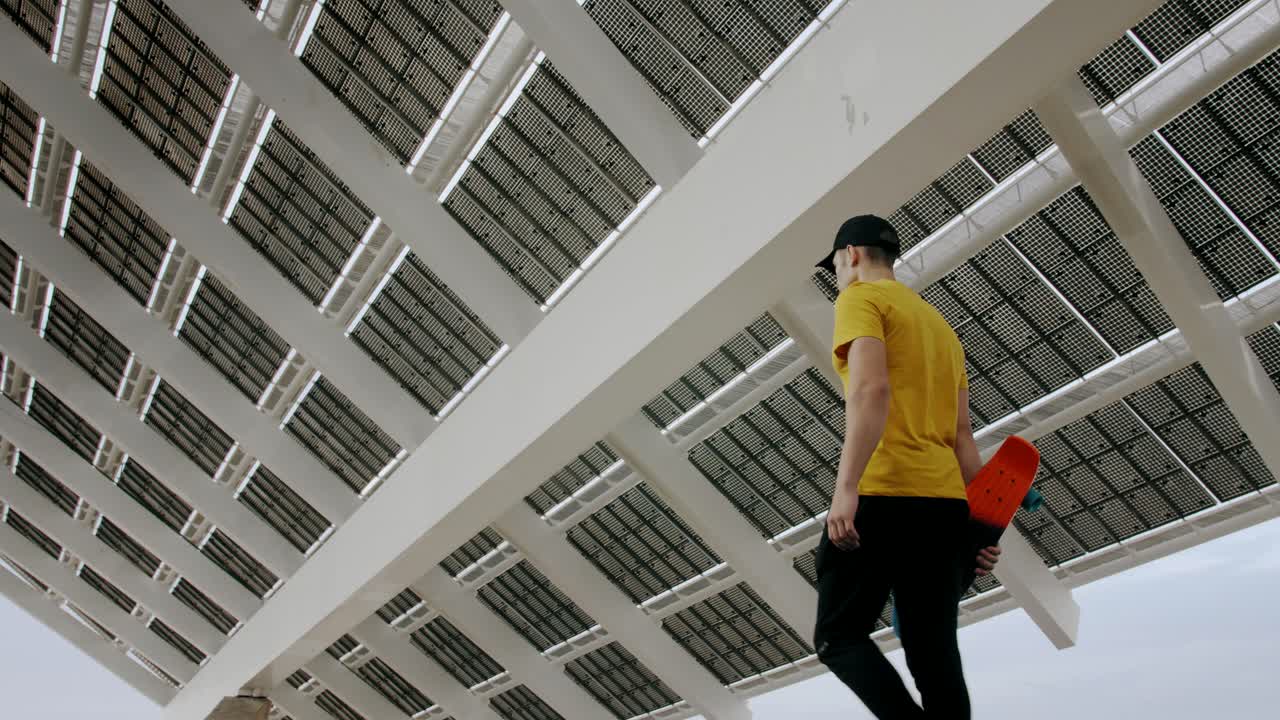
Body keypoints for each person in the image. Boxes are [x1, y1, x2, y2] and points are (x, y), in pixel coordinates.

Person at [812, 215, 1001, 719]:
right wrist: (978, 530)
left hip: (884, 492)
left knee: (839, 636)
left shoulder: (859, 299)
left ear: (851, 254)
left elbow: (871, 390)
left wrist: (846, 489)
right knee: (933, 652)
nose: (836, 274)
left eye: (834, 264)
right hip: (943, 508)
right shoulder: (941, 329)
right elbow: (962, 438)